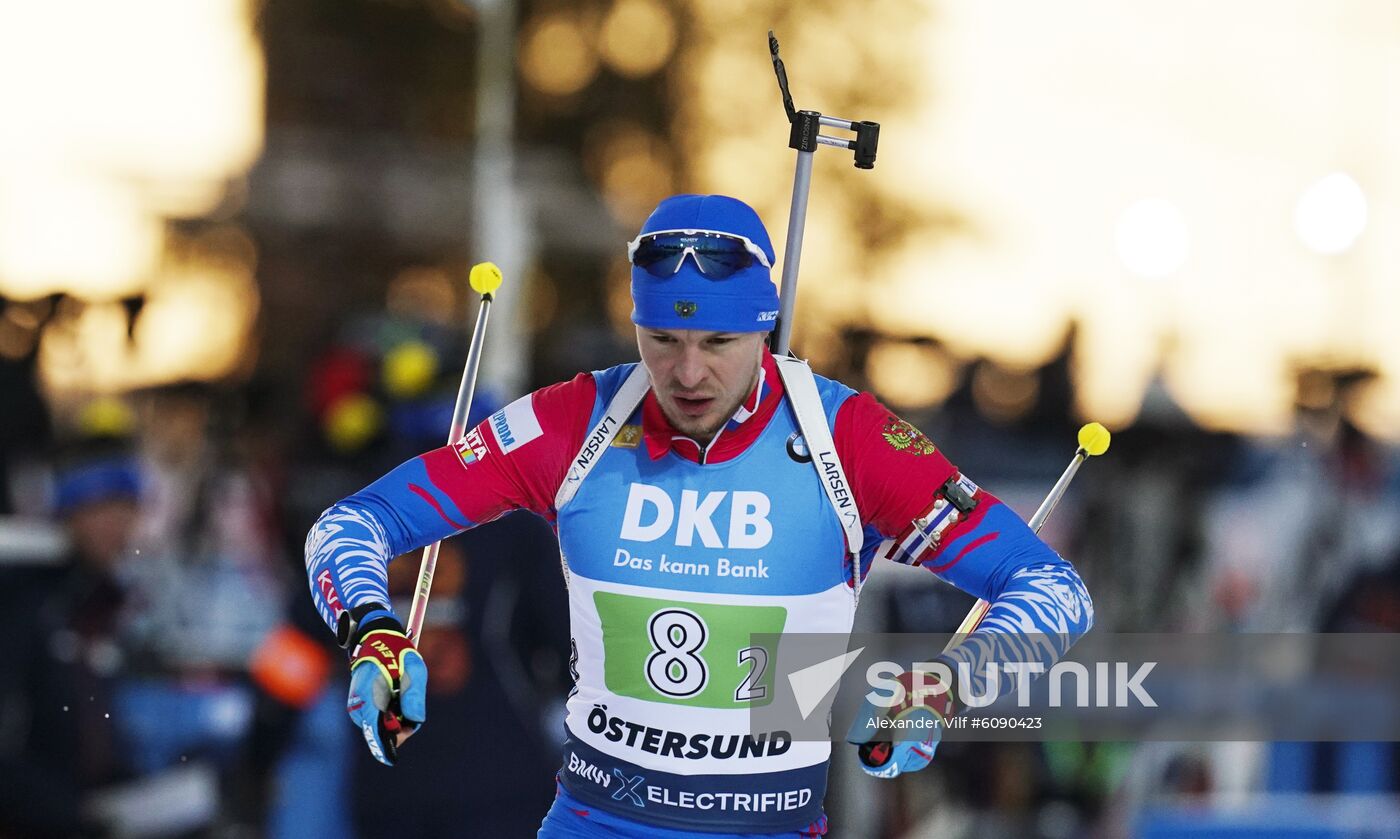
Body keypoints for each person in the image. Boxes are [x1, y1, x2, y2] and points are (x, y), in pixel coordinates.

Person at [304, 194, 1095, 837]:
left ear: (765, 325)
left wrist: (951, 681)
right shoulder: (577, 422)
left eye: (718, 339)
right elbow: (349, 526)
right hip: (596, 820)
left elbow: (1052, 588)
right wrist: (373, 628)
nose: (687, 372)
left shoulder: (845, 439)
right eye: (662, 337)